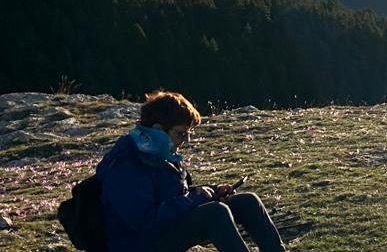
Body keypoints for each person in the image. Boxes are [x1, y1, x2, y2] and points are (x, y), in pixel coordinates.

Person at [98, 90, 287, 252]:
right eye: (180, 133)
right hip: (140, 243)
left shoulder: (161, 154)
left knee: (248, 201)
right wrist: (198, 197)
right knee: (215, 213)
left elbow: (178, 195)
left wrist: (212, 191)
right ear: (157, 129)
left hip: (164, 230)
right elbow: (146, 220)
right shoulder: (127, 164)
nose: (185, 140)